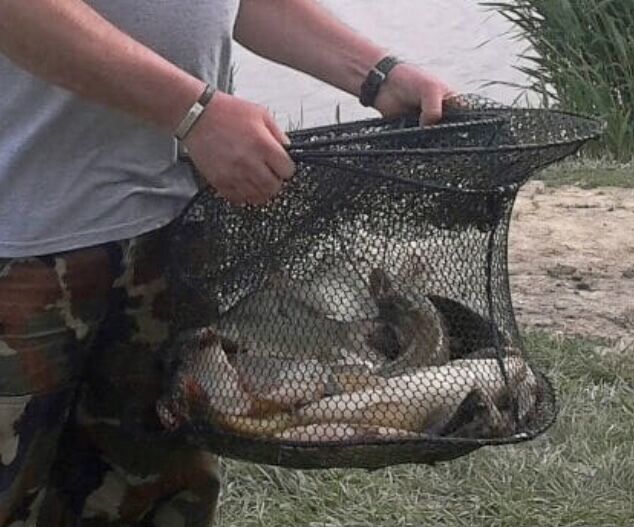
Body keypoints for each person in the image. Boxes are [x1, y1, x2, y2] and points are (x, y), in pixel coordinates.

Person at [0, 1, 455, 525]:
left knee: (157, 491)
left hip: (172, 229)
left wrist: (377, 74)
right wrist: (193, 113)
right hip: (21, 243)